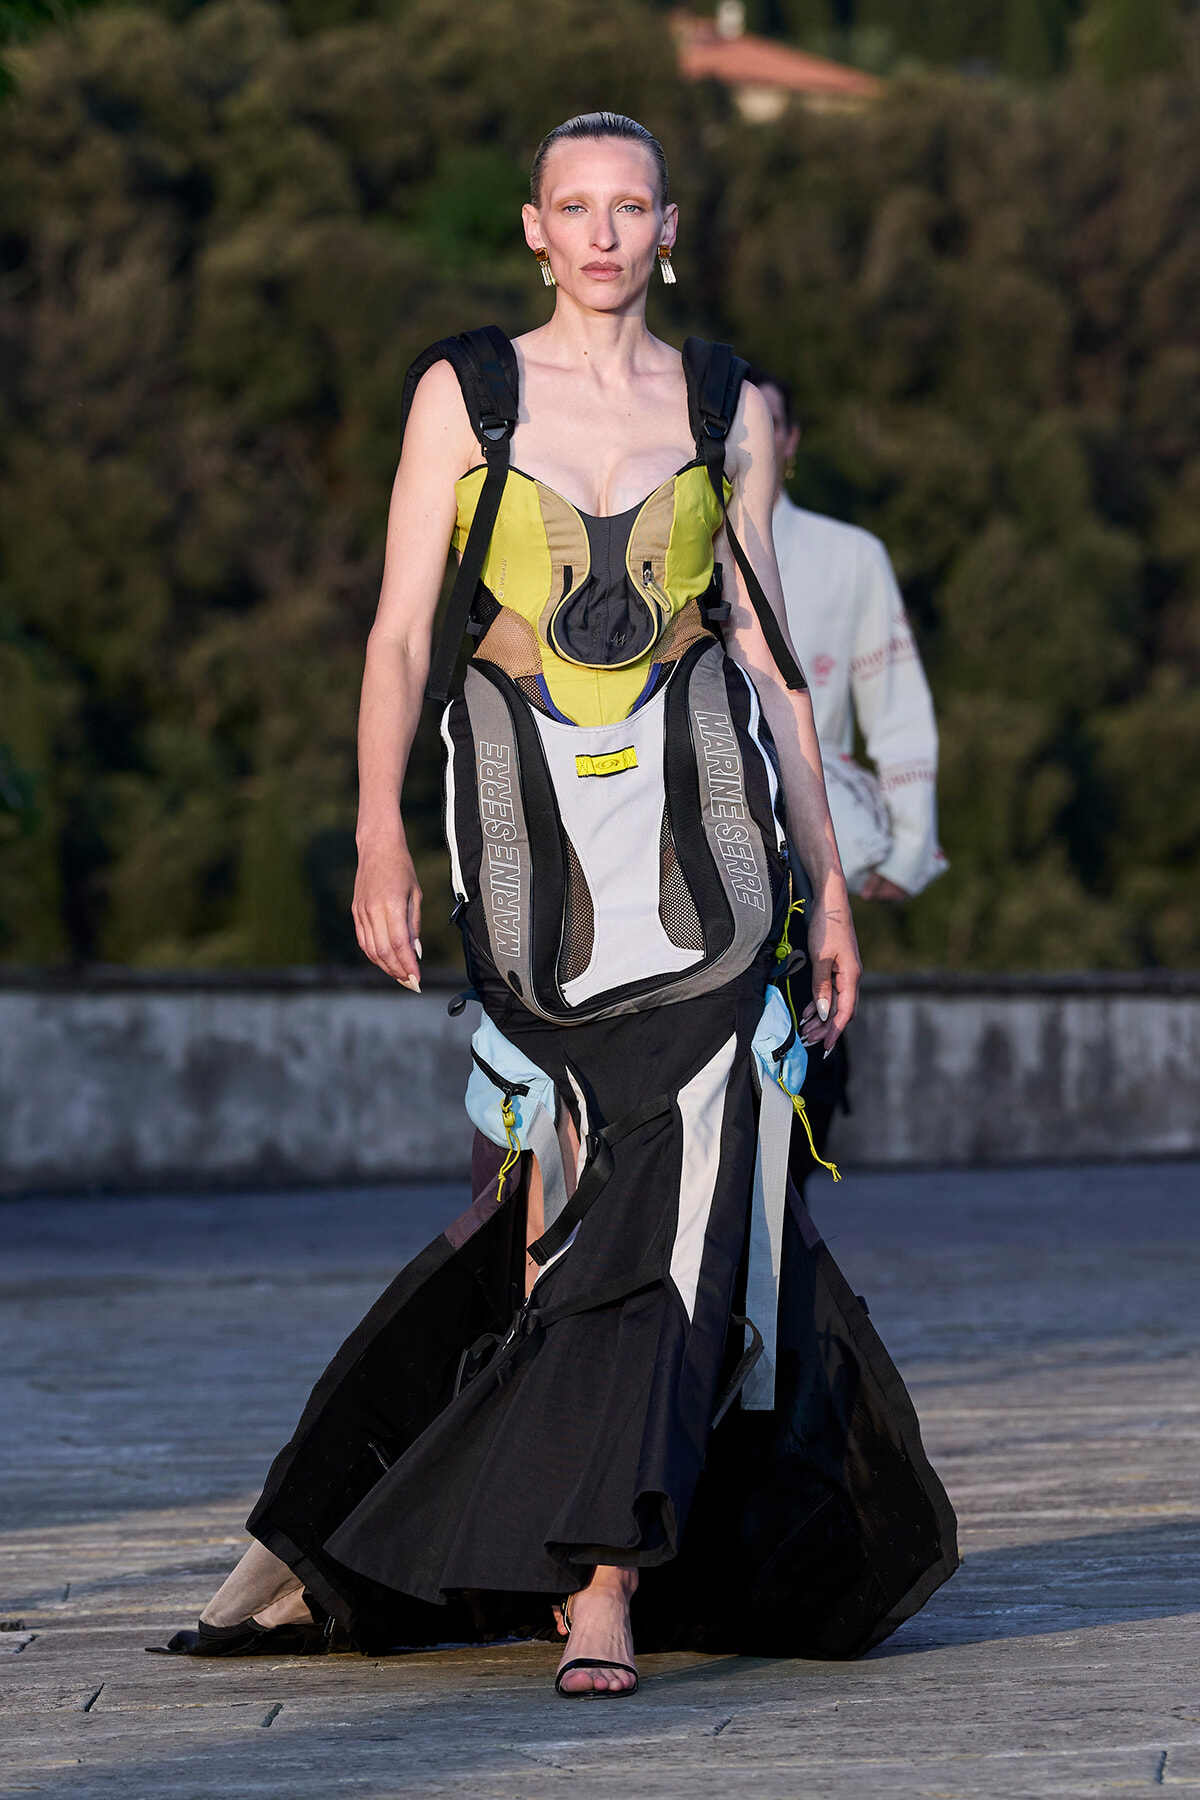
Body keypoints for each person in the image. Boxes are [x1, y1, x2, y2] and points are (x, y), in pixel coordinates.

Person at [154, 114, 956, 1696]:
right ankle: (509, 1517)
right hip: (527, 834)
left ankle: (604, 1579)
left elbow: (768, 656)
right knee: (577, 1178)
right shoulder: (466, 394)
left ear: (669, 228)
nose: (601, 232)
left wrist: (830, 900)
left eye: (628, 207)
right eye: (574, 207)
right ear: (534, 229)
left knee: (702, 1164)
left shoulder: (719, 402)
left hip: (707, 835)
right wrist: (378, 837)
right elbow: (401, 635)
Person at [748, 368, 947, 1179]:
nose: (750, 436)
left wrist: (908, 846)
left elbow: (894, 705)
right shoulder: (675, 542)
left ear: (790, 441)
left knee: (808, 1062)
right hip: (691, 831)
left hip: (807, 841)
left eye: (766, 421)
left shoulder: (850, 556)